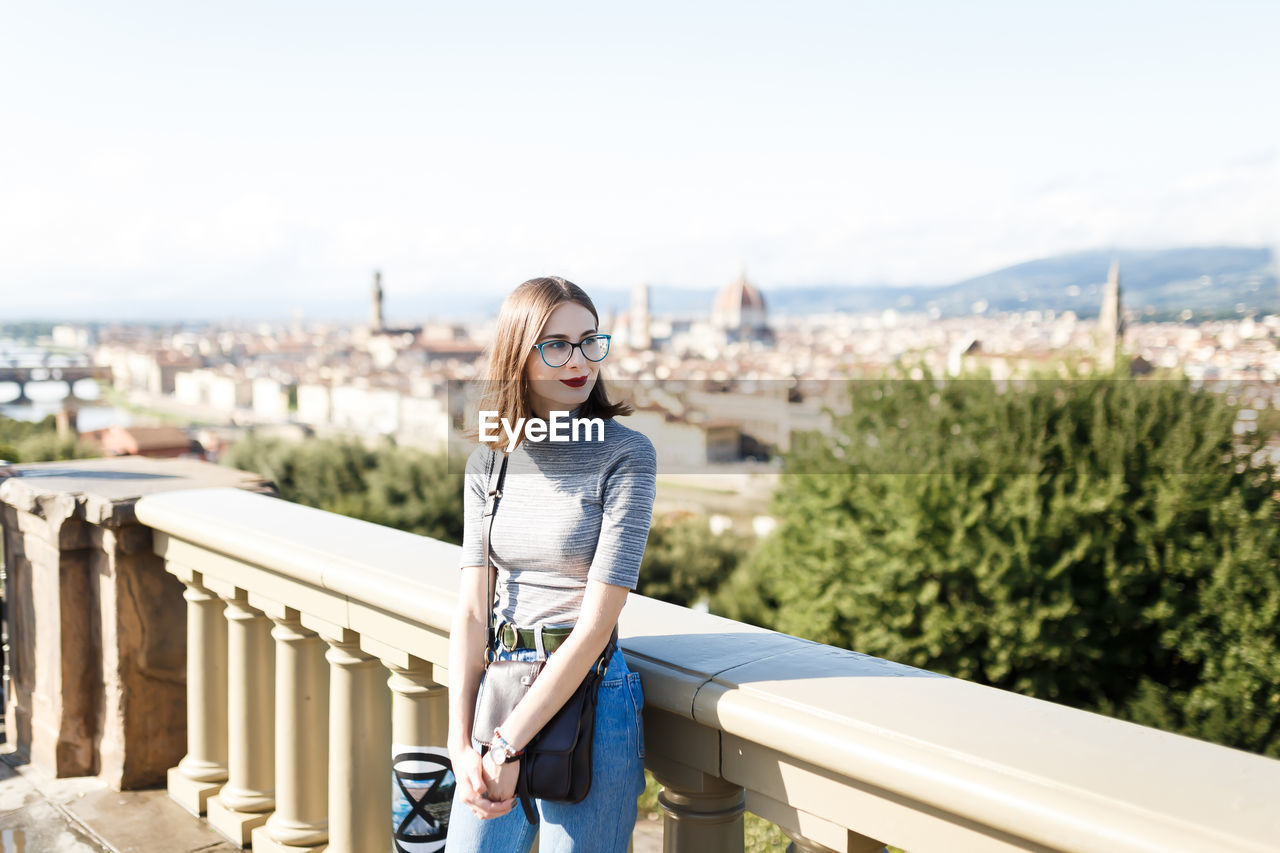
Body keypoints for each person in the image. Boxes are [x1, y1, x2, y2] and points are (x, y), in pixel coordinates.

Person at [445, 276, 656, 853]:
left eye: (590, 341)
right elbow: (470, 612)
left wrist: (506, 746)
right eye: (555, 344)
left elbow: (594, 627)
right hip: (502, 687)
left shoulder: (626, 454)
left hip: (589, 694)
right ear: (519, 354)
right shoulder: (489, 461)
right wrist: (461, 745)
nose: (578, 360)